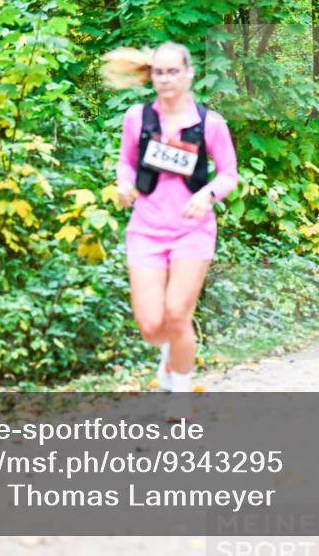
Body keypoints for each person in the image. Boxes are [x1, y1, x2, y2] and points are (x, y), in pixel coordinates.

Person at [105, 42, 239, 408]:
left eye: (172, 72)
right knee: (151, 326)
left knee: (178, 314)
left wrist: (207, 196)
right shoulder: (138, 118)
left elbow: (229, 174)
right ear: (152, 76)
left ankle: (180, 391)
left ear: (189, 73)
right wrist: (124, 184)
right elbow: (126, 163)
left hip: (192, 231)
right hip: (146, 229)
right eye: (159, 73)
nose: (165, 79)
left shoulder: (209, 123)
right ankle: (169, 352)